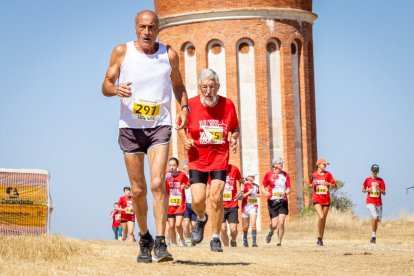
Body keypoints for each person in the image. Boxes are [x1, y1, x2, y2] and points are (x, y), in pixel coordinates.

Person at [102, 10, 189, 263]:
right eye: (143, 27)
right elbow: (105, 84)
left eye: (152, 27)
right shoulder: (122, 52)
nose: (147, 32)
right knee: (139, 190)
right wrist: (115, 88)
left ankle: (161, 243)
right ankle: (144, 238)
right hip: (130, 128)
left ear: (158, 29)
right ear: (136, 29)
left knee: (157, 183)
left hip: (159, 125)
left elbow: (179, 86)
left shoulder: (168, 54)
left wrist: (184, 107)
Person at [178, 68, 240, 252]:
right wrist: (185, 141)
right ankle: (202, 218)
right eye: (204, 87)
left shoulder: (228, 104)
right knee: (197, 200)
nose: (208, 91)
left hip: (220, 157)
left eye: (212, 87)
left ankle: (215, 238)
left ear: (218, 87)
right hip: (197, 158)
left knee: (216, 196)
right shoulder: (190, 105)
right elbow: (180, 127)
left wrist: (234, 137)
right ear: (199, 87)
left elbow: (235, 128)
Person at [262, 157, 291, 246]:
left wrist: (285, 193)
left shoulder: (285, 175)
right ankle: (271, 232)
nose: (282, 164)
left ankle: (279, 242)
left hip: (283, 201)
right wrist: (265, 192)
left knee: (281, 222)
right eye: (280, 162)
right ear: (275, 164)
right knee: (274, 225)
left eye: (282, 162)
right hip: (272, 202)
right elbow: (263, 186)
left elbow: (289, 188)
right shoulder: (268, 174)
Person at [309, 158, 336, 246]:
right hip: (317, 198)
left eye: (326, 164)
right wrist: (313, 184)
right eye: (324, 164)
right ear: (318, 165)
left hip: (326, 199)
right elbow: (309, 185)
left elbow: (334, 185)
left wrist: (329, 184)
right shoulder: (313, 175)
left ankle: (320, 238)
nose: (325, 166)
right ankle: (319, 237)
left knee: (323, 219)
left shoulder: (328, 174)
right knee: (321, 216)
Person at [165, 157, 188, 246]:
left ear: (177, 166)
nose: (172, 167)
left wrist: (184, 187)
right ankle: (174, 243)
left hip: (179, 205)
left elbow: (188, 184)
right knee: (171, 226)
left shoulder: (182, 175)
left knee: (178, 224)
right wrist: (164, 180)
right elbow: (162, 188)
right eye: (170, 165)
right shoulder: (167, 175)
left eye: (174, 165)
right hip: (169, 205)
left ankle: (182, 239)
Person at [362, 164, 386, 244]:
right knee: (375, 217)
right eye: (373, 171)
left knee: (377, 220)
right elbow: (363, 190)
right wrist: (367, 190)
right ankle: (373, 236)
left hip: (378, 203)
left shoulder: (381, 180)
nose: (374, 172)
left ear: (378, 171)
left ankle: (374, 236)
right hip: (370, 201)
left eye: (376, 171)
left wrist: (379, 188)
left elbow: (384, 193)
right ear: (371, 171)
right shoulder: (367, 180)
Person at [220, 164, 242, 247]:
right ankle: (226, 247)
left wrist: (241, 191)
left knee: (233, 229)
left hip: (232, 204)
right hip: (220, 205)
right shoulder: (216, 170)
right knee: (223, 228)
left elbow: (241, 181)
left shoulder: (234, 169)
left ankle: (233, 240)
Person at [240, 173, 260, 247]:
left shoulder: (256, 186)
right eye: (252, 176)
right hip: (245, 207)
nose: (253, 177)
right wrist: (249, 192)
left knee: (253, 223)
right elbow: (241, 197)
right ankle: (245, 239)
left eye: (254, 176)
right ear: (247, 177)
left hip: (253, 206)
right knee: (246, 226)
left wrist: (258, 195)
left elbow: (258, 194)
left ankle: (254, 242)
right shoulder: (244, 185)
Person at [181, 160, 197, 246]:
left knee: (194, 224)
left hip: (194, 203)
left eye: (186, 168)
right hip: (185, 204)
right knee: (186, 223)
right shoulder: (181, 177)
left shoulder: (194, 177)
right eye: (183, 168)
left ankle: (193, 237)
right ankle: (187, 239)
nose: (185, 170)